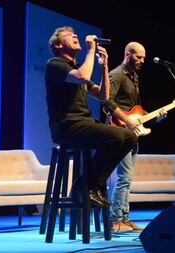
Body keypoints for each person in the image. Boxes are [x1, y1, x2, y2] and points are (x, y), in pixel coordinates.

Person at [45, 26, 138, 206]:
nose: (75, 36)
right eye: (69, 36)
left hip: (83, 124)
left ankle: (87, 185)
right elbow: (82, 76)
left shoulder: (76, 69)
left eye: (75, 34)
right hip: (67, 126)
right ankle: (85, 186)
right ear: (58, 45)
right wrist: (91, 50)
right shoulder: (56, 64)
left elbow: (103, 96)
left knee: (129, 138)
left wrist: (104, 67)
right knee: (122, 135)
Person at [104, 42, 166, 232]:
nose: (142, 61)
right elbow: (107, 103)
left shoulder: (134, 77)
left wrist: (156, 117)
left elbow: (135, 110)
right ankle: (115, 220)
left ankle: (125, 218)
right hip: (120, 132)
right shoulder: (116, 75)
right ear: (128, 55)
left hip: (131, 133)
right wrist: (126, 121)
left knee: (127, 178)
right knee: (124, 177)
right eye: (139, 57)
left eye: (144, 57)